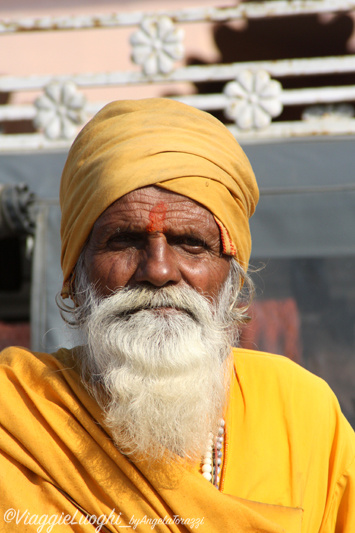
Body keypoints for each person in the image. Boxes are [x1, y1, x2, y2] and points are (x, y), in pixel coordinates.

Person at [0, 98, 354, 533]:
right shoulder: (15, 420)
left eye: (191, 243)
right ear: (75, 272)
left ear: (233, 277)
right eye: (123, 241)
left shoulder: (302, 414)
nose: (160, 270)